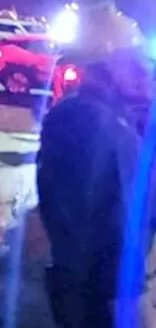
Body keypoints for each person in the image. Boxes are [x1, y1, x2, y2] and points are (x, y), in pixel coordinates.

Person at [37, 48, 155, 327]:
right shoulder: (87, 120)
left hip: (110, 282)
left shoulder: (121, 116)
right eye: (135, 67)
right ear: (108, 70)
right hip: (104, 290)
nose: (148, 75)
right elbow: (102, 218)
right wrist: (127, 295)